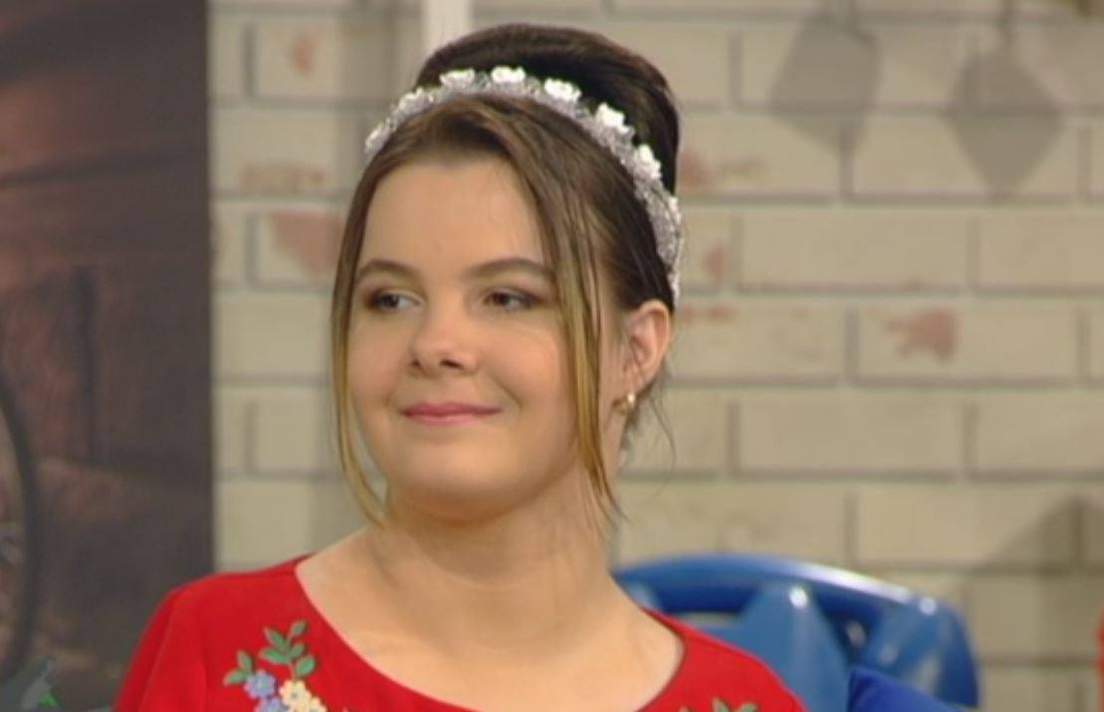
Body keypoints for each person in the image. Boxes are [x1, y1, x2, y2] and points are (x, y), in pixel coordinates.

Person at [113, 23, 954, 712]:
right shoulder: (218, 650)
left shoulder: (742, 704)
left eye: (508, 298)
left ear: (638, 347)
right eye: (390, 299)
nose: (436, 343)